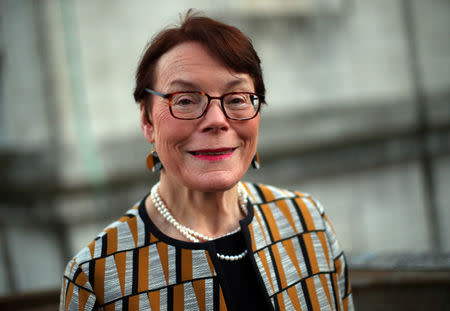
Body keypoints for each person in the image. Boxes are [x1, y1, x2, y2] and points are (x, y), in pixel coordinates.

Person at [60, 11, 353, 311]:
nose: (217, 121)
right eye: (185, 100)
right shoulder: (98, 278)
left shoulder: (307, 223)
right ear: (147, 120)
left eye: (237, 98)